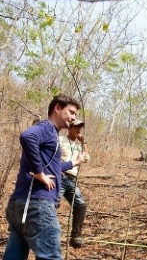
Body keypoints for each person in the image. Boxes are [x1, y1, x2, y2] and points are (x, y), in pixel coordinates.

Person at [3, 94, 84, 260]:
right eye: (71, 112)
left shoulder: (51, 135)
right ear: (57, 108)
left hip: (20, 205)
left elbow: (53, 167)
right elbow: (27, 136)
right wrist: (39, 173)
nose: (73, 117)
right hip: (37, 206)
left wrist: (73, 163)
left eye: (75, 114)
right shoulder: (47, 128)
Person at [59, 119, 90, 248]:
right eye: (76, 127)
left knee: (81, 205)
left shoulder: (79, 146)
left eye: (80, 127)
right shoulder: (60, 140)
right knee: (51, 204)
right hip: (60, 177)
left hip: (72, 180)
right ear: (70, 128)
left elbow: (87, 158)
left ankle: (76, 236)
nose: (79, 129)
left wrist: (84, 143)